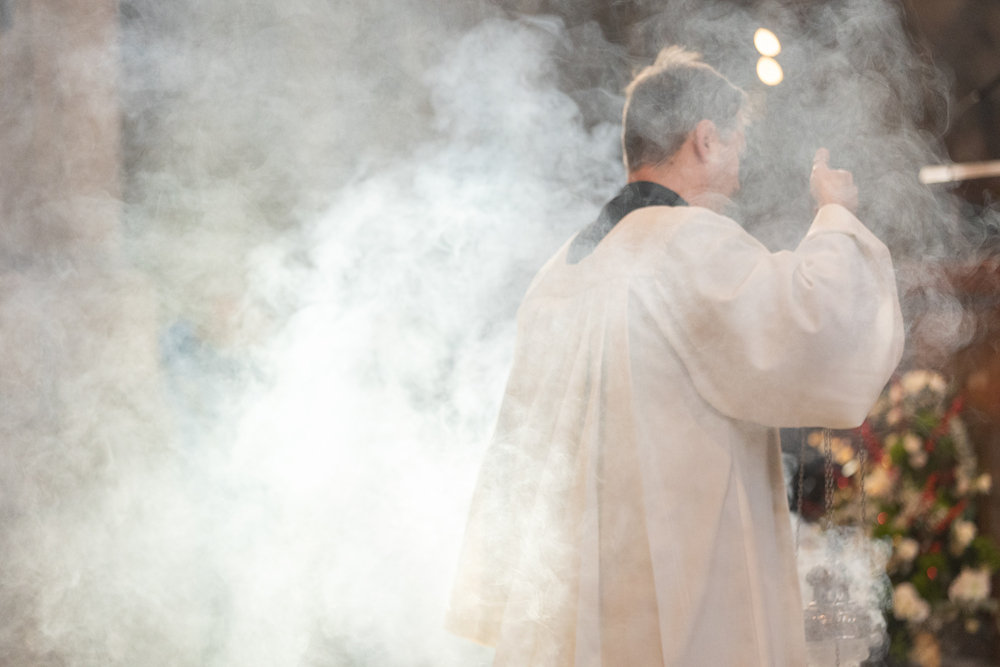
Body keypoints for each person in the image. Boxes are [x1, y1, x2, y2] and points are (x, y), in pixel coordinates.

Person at [445, 46, 904, 667]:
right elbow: (815, 327)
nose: (740, 165)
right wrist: (836, 214)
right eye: (737, 142)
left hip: (572, 595)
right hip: (682, 580)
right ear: (705, 140)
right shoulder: (686, 243)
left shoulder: (560, 271)